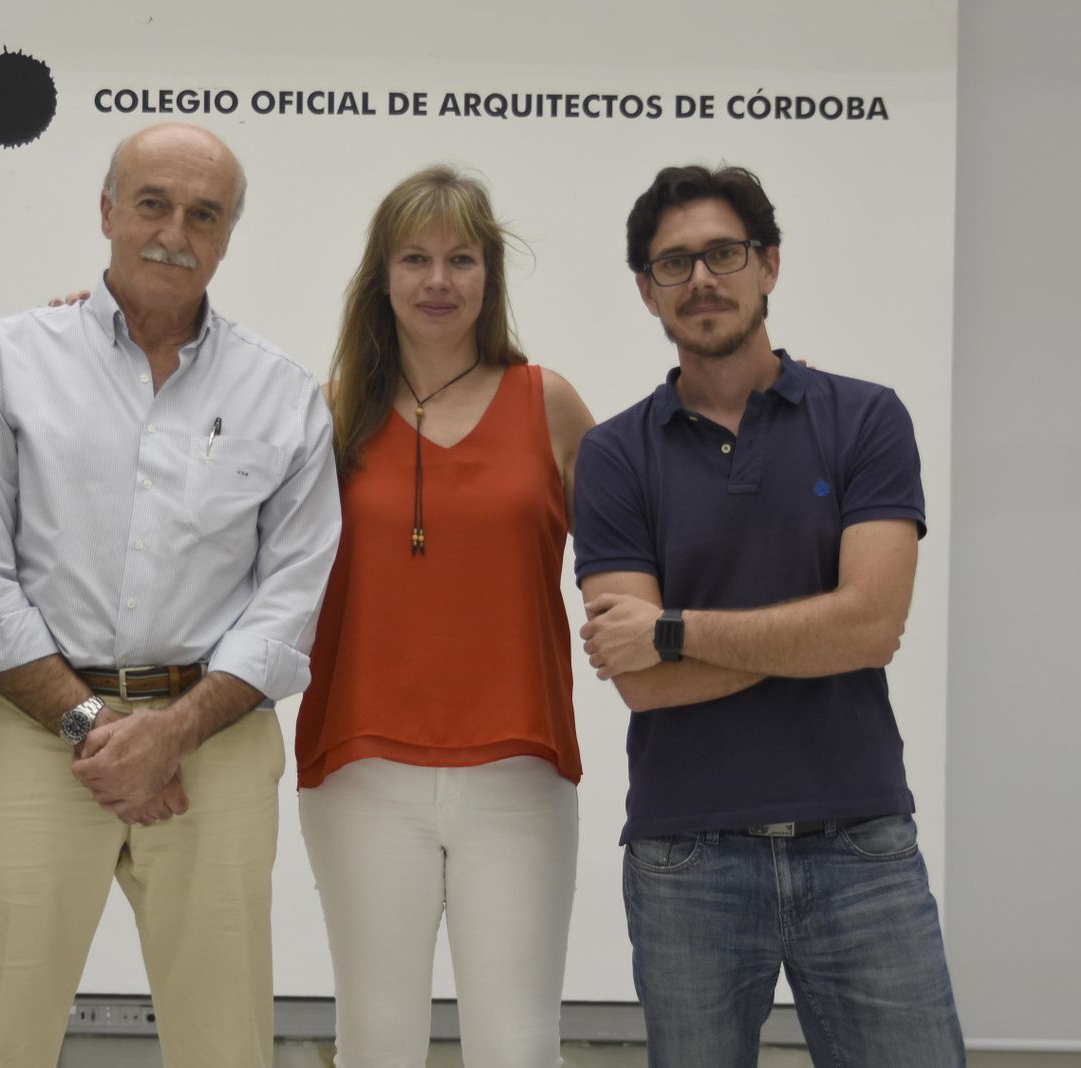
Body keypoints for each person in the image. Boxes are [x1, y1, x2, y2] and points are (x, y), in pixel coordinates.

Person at [0, 122, 340, 1067]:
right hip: (32, 734)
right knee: (0, 1034)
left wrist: (172, 732)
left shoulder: (282, 395)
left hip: (215, 745)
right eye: (151, 203)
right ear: (107, 211)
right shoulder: (3, 361)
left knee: (224, 1038)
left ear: (229, 235)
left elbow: (292, 596)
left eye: (205, 214)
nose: (174, 232)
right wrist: (91, 726)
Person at [574, 164, 964, 1067]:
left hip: (861, 844)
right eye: (675, 264)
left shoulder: (865, 418)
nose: (702, 279)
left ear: (769, 266)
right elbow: (639, 681)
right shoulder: (613, 454)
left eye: (723, 253)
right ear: (647, 291)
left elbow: (872, 626)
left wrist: (676, 629)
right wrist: (814, 632)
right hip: (687, 858)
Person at [294, 165, 595, 1067]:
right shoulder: (329, 414)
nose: (437, 281)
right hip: (361, 768)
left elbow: (659, 536)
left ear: (489, 275)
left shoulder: (549, 402)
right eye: (415, 257)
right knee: (375, 1045)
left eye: (460, 259)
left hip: (519, 769)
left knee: (517, 1047)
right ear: (381, 275)